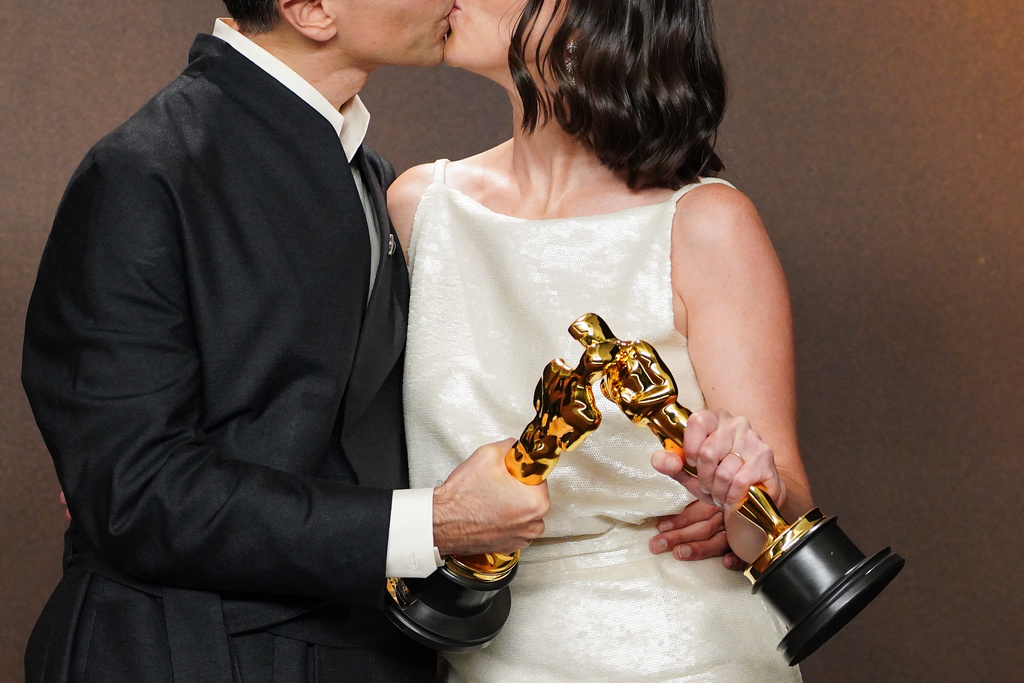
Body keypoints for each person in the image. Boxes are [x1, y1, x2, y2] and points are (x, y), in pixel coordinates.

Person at [21, 1, 553, 681]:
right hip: (187, 650)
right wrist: (434, 522)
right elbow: (135, 492)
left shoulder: (372, 178)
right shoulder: (145, 170)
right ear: (312, 9)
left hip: (363, 647)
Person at [387, 0, 814, 679]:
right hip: (485, 645)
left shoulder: (706, 223)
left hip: (685, 648)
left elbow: (778, 505)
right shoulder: (419, 209)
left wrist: (743, 489)